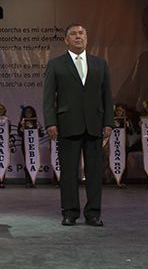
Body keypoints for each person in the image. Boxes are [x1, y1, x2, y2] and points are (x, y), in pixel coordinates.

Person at [42, 24, 114, 227]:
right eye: (73, 34)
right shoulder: (56, 65)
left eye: (81, 33)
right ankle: (70, 212)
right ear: (66, 40)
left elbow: (107, 95)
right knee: (69, 172)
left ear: (87, 38)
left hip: (94, 125)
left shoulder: (100, 64)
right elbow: (48, 98)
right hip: (67, 125)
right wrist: (51, 122)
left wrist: (108, 121)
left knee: (94, 172)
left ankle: (93, 213)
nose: (77, 37)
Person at [17, 105, 44, 188]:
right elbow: (20, 134)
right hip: (25, 146)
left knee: (34, 162)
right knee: (27, 162)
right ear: (24, 113)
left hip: (34, 146)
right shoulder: (21, 122)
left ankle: (33, 180)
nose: (28, 114)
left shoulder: (36, 122)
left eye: (30, 112)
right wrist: (22, 127)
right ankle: (28, 181)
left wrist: (38, 127)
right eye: (26, 112)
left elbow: (41, 135)